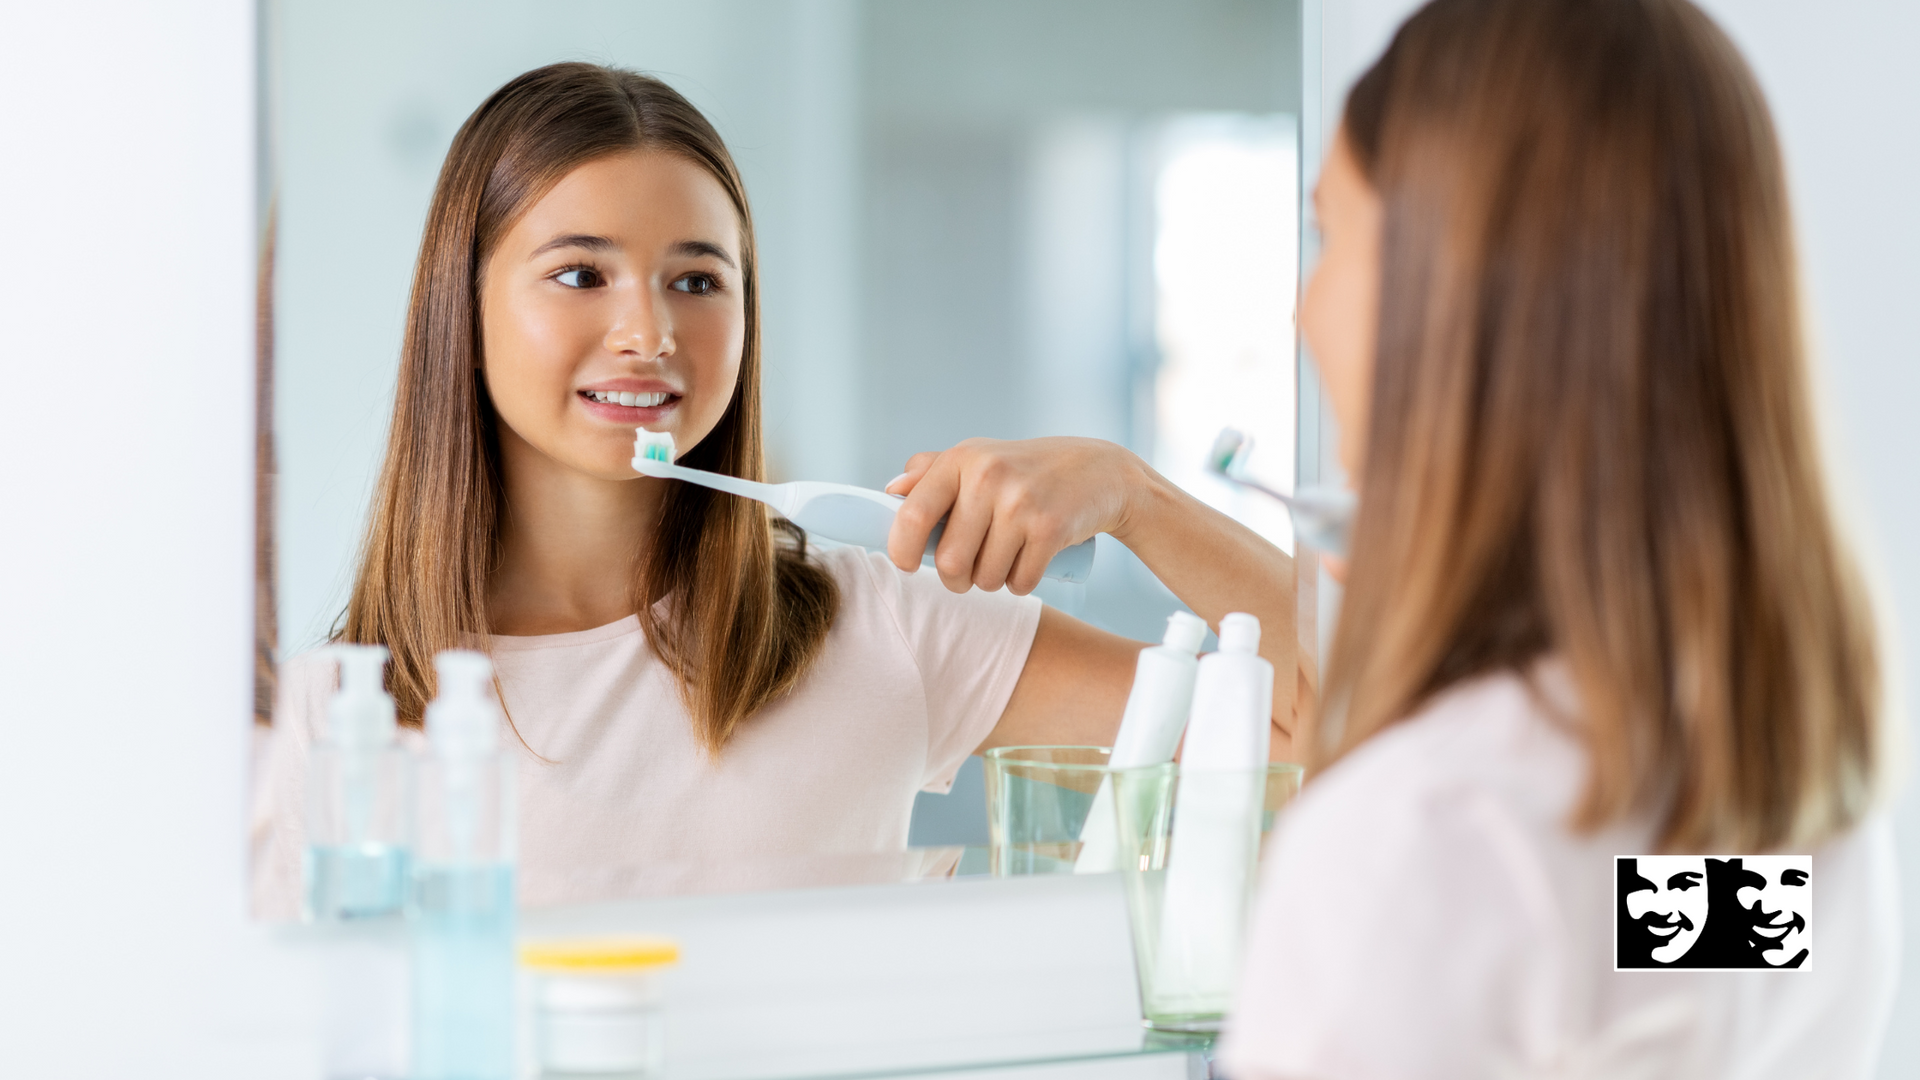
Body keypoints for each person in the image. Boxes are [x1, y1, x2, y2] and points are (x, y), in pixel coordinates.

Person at [251, 63, 1298, 915]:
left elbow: (1327, 726)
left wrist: (1135, 497)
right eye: (581, 274)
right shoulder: (326, 726)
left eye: (698, 280)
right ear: (460, 312)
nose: (649, 333)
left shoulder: (889, 628)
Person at [1218, 0, 1897, 1076]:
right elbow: (1634, 979)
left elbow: (1536, 934)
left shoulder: (1419, 848)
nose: (1306, 310)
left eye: (1332, 234)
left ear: (1455, 295)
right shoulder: (1789, 818)